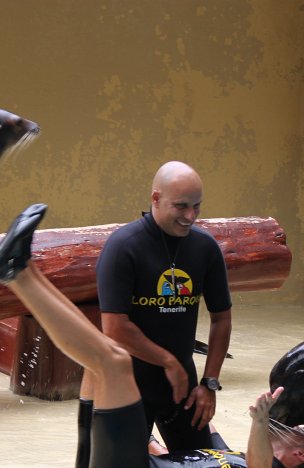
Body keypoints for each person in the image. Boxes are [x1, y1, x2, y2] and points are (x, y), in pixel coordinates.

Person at [0, 203, 304, 468]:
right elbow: (189, 438)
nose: (291, 424)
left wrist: (259, 420)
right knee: (103, 355)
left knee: (114, 361)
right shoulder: (232, 456)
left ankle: (16, 274)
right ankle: (24, 268)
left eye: (300, 432)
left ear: (303, 456)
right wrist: (199, 390)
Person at [96, 161, 230, 452]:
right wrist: (168, 361)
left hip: (182, 385)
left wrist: (209, 384)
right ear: (156, 198)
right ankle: (148, 444)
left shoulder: (205, 248)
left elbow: (221, 318)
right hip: (127, 383)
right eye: (181, 206)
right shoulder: (124, 246)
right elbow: (114, 327)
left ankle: (176, 442)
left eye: (197, 206)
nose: (190, 216)